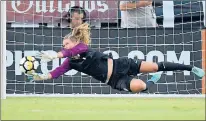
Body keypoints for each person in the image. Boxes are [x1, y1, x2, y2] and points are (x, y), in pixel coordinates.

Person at [28, 23, 205, 93]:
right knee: (140, 87)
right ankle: (152, 82)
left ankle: (191, 68)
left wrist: (54, 55)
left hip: (122, 64)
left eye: (66, 44)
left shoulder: (82, 48)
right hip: (114, 80)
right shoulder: (70, 63)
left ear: (74, 43)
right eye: (63, 45)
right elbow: (57, 71)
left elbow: (67, 52)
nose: (64, 47)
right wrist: (40, 76)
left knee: (154, 66)